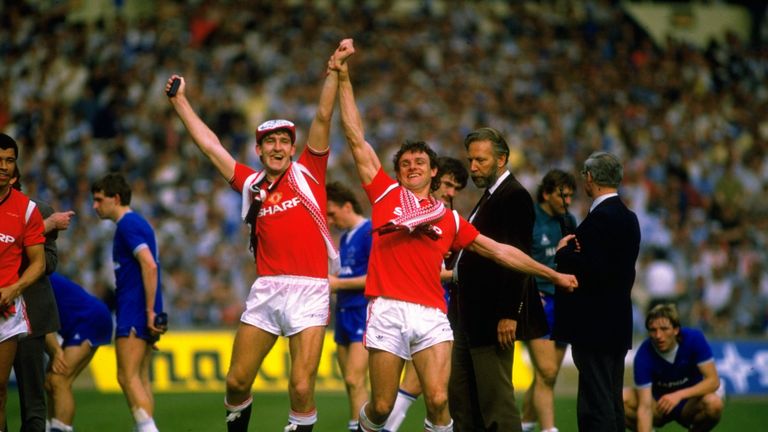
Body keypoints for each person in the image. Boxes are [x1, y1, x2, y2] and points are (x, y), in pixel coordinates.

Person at [331, 38, 577, 432]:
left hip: (431, 313)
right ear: (398, 172)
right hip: (388, 308)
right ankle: (366, 427)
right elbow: (356, 138)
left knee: (441, 399)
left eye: (420, 162)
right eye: (405, 162)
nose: (412, 166)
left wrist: (554, 275)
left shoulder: (450, 219)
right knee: (380, 405)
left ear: (433, 172)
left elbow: (502, 252)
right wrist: (343, 77)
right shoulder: (384, 194)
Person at [165, 40, 345, 432]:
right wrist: (181, 103)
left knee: (300, 385)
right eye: (270, 142)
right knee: (235, 381)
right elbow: (210, 146)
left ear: (293, 148)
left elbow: (324, 114)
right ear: (259, 150)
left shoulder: (309, 172)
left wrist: (333, 71)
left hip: (309, 288)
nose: (278, 147)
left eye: (284, 141)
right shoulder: (251, 184)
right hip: (267, 288)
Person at [449, 126, 549, 432]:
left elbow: (516, 259)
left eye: (480, 160)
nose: (473, 167)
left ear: (502, 159)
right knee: (465, 404)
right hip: (471, 317)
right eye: (471, 160)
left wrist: (509, 313)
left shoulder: (514, 196)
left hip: (492, 319)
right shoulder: (492, 196)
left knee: (497, 405)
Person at [553, 151, 641, 432]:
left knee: (596, 403)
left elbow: (593, 269)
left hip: (594, 324)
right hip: (616, 322)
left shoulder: (601, 219)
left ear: (590, 177)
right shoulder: (629, 217)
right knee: (611, 398)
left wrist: (563, 253)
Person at [383, 156, 468, 432]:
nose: (451, 192)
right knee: (415, 387)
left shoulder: (448, 218)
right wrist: (458, 274)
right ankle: (385, 426)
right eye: (447, 184)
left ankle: (388, 426)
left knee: (432, 391)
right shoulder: (412, 211)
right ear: (433, 178)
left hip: (438, 305)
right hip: (408, 303)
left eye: (456, 188)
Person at [91, 173, 166, 432]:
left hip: (134, 308)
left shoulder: (127, 225)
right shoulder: (140, 223)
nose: (95, 206)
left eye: (100, 200)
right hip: (143, 307)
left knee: (126, 376)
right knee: (141, 378)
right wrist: (155, 311)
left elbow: (149, 265)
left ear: (116, 198)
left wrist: (147, 312)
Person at [9, 168, 75, 432]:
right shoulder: (45, 218)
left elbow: (49, 262)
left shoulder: (39, 209)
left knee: (33, 398)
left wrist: (31, 237)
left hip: (31, 313)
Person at [521, 169, 577, 432]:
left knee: (548, 374)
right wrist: (530, 295)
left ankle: (525, 424)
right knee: (547, 371)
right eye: (562, 195)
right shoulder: (529, 219)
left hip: (564, 302)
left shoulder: (569, 221)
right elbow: (519, 261)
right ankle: (549, 429)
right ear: (546, 194)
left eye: (570, 196)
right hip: (539, 301)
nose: (567, 201)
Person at [0, 133, 46, 432]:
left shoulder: (27, 209)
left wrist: (14, 289)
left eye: (9, 160)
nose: (4, 166)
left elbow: (39, 263)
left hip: (6, 312)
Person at [623, 303, 723, 432]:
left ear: (676, 330)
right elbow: (645, 407)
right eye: (653, 330)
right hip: (658, 405)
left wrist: (679, 395)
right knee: (619, 399)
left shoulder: (694, 339)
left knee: (714, 403)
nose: (658, 335)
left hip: (689, 403)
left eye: (664, 329)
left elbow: (713, 381)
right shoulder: (643, 355)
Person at [326, 182, 372, 432]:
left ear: (347, 206)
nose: (330, 221)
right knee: (350, 382)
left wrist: (338, 283)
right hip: (344, 313)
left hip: (362, 312)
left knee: (355, 378)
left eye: (332, 213)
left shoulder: (370, 231)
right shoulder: (345, 238)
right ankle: (358, 425)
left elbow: (376, 277)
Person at [45, 272, 114, 432]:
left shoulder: (32, 281)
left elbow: (42, 322)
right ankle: (51, 427)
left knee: (59, 380)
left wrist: (56, 352)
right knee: (49, 381)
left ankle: (60, 429)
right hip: (81, 320)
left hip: (88, 320)